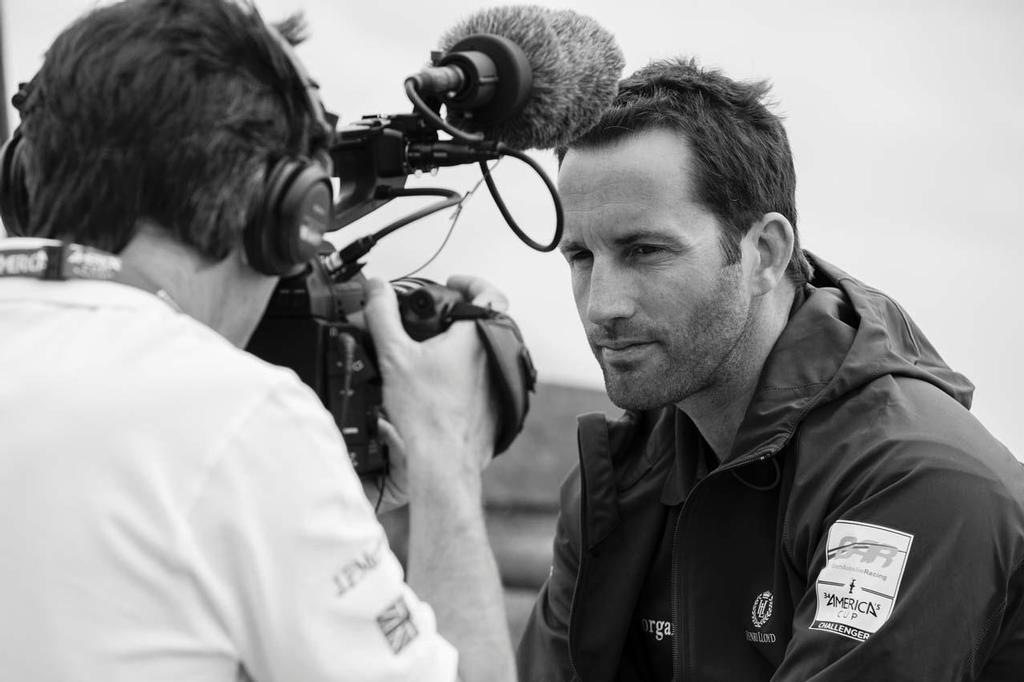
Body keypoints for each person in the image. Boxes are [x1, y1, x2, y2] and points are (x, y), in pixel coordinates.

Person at [0, 1, 516, 680]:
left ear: (25, 178)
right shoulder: (238, 417)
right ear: (285, 212)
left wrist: (325, 514)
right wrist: (446, 456)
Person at [516, 57, 1024, 680]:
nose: (603, 306)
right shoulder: (624, 470)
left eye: (645, 251)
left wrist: (450, 475)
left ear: (765, 253)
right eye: (581, 257)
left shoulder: (916, 483)